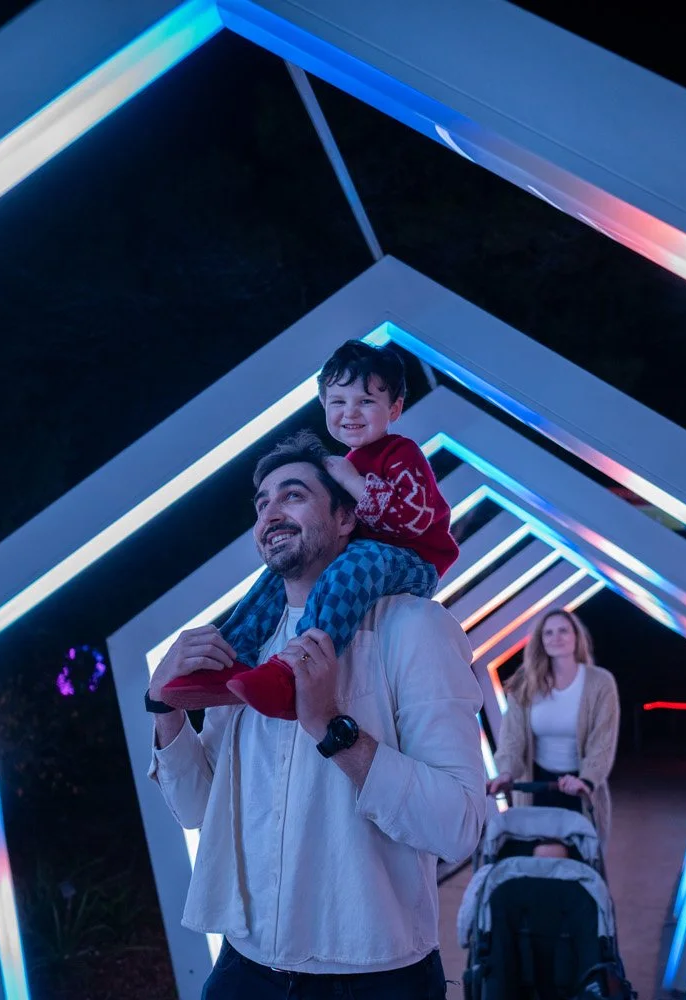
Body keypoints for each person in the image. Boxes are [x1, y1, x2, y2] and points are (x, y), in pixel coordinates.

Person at [144, 431, 485, 998]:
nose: (271, 513)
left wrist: (332, 728)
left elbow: (460, 826)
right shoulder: (246, 646)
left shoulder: (414, 629)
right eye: (262, 503)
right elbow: (198, 809)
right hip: (242, 969)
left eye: (293, 495)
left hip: (372, 979)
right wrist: (165, 710)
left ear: (347, 517)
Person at [161, 340, 459, 720]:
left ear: (395, 408)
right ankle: (233, 659)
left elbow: (413, 519)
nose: (350, 412)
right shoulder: (346, 462)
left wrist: (354, 483)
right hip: (370, 559)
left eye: (366, 401)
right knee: (271, 582)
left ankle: (293, 670)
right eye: (338, 402)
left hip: (417, 560)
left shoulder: (400, 453)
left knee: (356, 561)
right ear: (324, 405)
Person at [486, 608, 620, 846]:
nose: (555, 637)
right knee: (537, 857)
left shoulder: (600, 683)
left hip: (580, 787)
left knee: (581, 857)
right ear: (541, 642)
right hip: (535, 784)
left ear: (576, 637)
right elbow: (512, 737)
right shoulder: (526, 683)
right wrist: (506, 772)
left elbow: (603, 740)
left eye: (563, 631)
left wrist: (587, 780)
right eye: (548, 633)